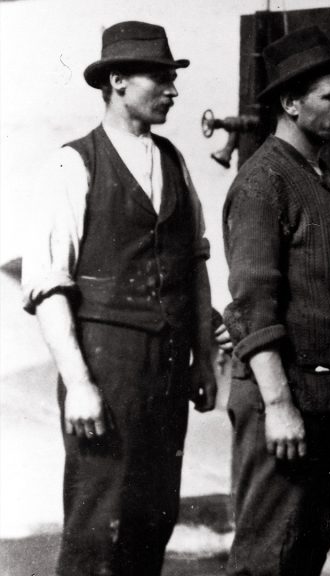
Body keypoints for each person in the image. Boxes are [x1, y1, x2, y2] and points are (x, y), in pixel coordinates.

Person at [20, 21, 217, 576]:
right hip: (106, 369)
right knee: (97, 527)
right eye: (160, 78)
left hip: (167, 370)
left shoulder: (175, 161)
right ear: (118, 80)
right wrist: (80, 384)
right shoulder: (72, 164)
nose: (173, 91)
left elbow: (194, 268)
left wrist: (202, 357)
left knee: (152, 522)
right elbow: (50, 286)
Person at [221, 26, 330, 575]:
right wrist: (280, 407)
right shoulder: (263, 182)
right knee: (267, 556)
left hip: (321, 398)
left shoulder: (316, 176)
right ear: (290, 102)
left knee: (307, 544)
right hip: (282, 403)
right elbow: (252, 305)